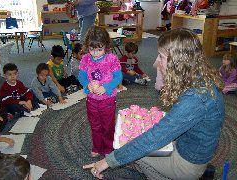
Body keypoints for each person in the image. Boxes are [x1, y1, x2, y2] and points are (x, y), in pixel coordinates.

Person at [83, 28, 225, 180]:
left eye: (161, 56)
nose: (156, 62)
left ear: (177, 61)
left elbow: (154, 138)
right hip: (189, 147)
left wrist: (107, 162)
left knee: (133, 149)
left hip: (188, 164)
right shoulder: (199, 81)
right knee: (138, 141)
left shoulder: (196, 98)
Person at [78, 26, 122, 157]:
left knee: (108, 125)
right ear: (87, 46)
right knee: (95, 125)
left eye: (99, 49)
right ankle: (97, 147)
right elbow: (81, 76)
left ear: (106, 46)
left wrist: (106, 87)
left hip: (108, 100)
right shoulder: (85, 58)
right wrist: (87, 85)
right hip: (91, 100)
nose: (95, 53)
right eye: (92, 49)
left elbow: (118, 77)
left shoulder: (111, 59)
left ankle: (108, 148)